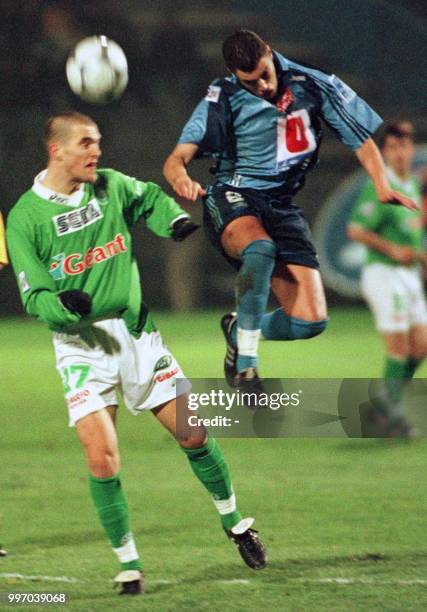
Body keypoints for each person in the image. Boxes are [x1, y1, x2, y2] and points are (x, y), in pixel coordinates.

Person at [6, 112, 267, 596]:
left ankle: (235, 523)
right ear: (57, 151)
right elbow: (34, 295)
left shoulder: (109, 186)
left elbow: (147, 196)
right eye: (86, 143)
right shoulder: (25, 217)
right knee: (102, 458)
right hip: (81, 346)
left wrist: (172, 222)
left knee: (193, 434)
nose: (96, 152)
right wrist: (64, 307)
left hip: (137, 336)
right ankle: (129, 566)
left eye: (98, 142)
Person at [163, 30, 417, 391]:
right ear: (233, 73)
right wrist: (181, 178)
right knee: (260, 249)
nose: (263, 86)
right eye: (250, 81)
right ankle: (246, 366)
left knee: (309, 322)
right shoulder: (222, 97)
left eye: (265, 74)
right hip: (234, 196)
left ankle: (239, 328)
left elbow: (358, 136)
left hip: (281, 206)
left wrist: (381, 182)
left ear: (270, 52)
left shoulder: (312, 83)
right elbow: (176, 159)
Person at [347, 122, 427, 436]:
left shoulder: (410, 187)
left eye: (404, 146)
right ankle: (391, 417)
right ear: (384, 152)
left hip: (408, 277)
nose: (399, 153)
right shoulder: (380, 185)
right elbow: (356, 229)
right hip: (383, 274)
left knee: (420, 347)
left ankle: (383, 402)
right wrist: (391, 249)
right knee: (399, 349)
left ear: (412, 149)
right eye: (392, 147)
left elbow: (411, 237)